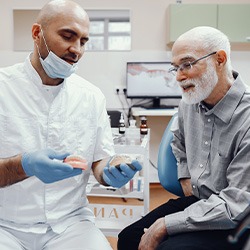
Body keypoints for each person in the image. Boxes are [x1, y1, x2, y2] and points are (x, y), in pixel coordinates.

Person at [0, 1, 142, 249]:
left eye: (84, 41)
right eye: (67, 36)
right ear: (37, 34)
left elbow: (100, 160)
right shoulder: (3, 88)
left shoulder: (91, 97)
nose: (76, 49)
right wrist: (23, 165)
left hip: (70, 224)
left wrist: (111, 170)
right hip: (6, 224)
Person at [117, 26, 250, 250]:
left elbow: (236, 205)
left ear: (220, 59)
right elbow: (178, 141)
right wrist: (185, 175)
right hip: (200, 202)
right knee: (129, 238)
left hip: (236, 216)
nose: (179, 76)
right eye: (175, 68)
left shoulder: (246, 118)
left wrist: (165, 225)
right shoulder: (189, 102)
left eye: (187, 64)